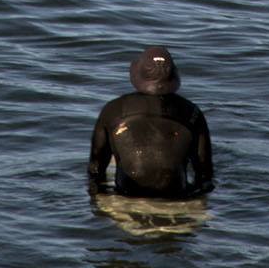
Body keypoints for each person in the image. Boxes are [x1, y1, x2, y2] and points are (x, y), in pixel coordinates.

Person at [88, 47, 215, 201]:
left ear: (137, 74)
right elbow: (204, 171)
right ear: (173, 76)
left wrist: (97, 196)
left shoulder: (113, 110)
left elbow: (96, 167)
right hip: (177, 197)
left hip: (127, 195)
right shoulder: (193, 113)